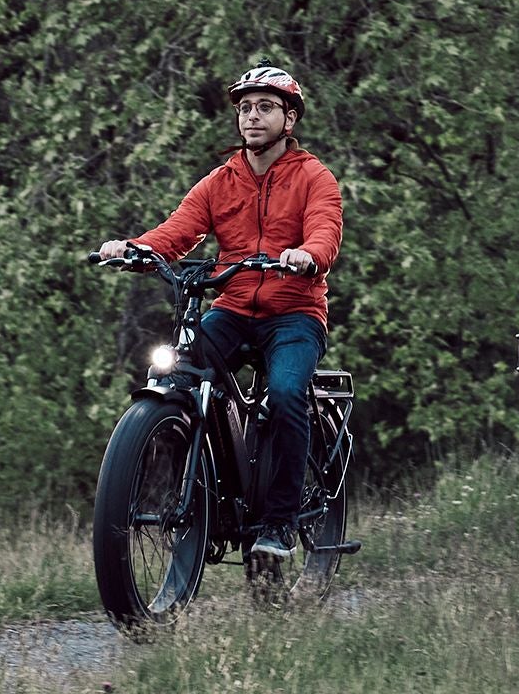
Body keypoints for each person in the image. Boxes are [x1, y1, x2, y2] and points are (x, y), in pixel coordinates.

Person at [97, 65, 345, 560]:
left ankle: (279, 521)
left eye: (266, 108)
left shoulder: (314, 177)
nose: (253, 117)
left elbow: (325, 230)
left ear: (289, 119)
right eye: (245, 108)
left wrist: (308, 255)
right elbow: (178, 230)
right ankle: (196, 491)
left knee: (289, 393)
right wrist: (134, 249)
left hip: (294, 313)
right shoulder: (219, 181)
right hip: (231, 307)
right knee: (174, 375)